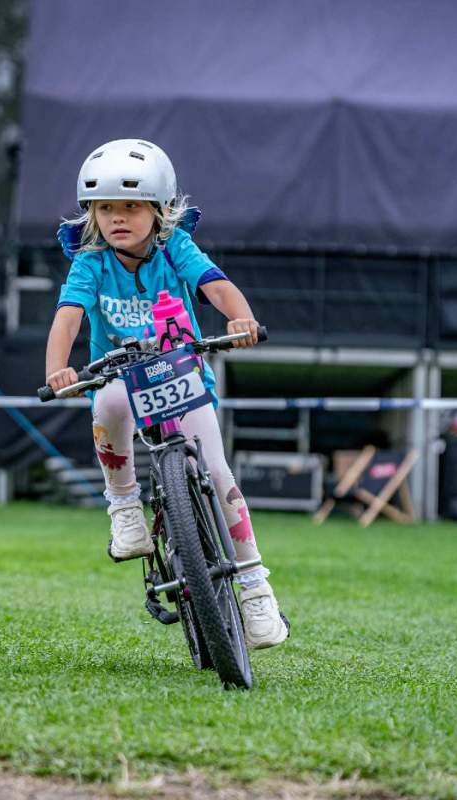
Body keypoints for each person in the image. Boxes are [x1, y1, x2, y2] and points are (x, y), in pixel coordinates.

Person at [44, 139, 287, 650]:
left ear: (159, 210)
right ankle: (125, 505)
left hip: (181, 372)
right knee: (107, 403)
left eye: (131, 206)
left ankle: (254, 588)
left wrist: (239, 317)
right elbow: (67, 317)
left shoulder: (175, 247)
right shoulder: (90, 263)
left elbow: (215, 284)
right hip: (122, 378)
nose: (118, 218)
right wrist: (58, 369)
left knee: (219, 476)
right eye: (105, 208)